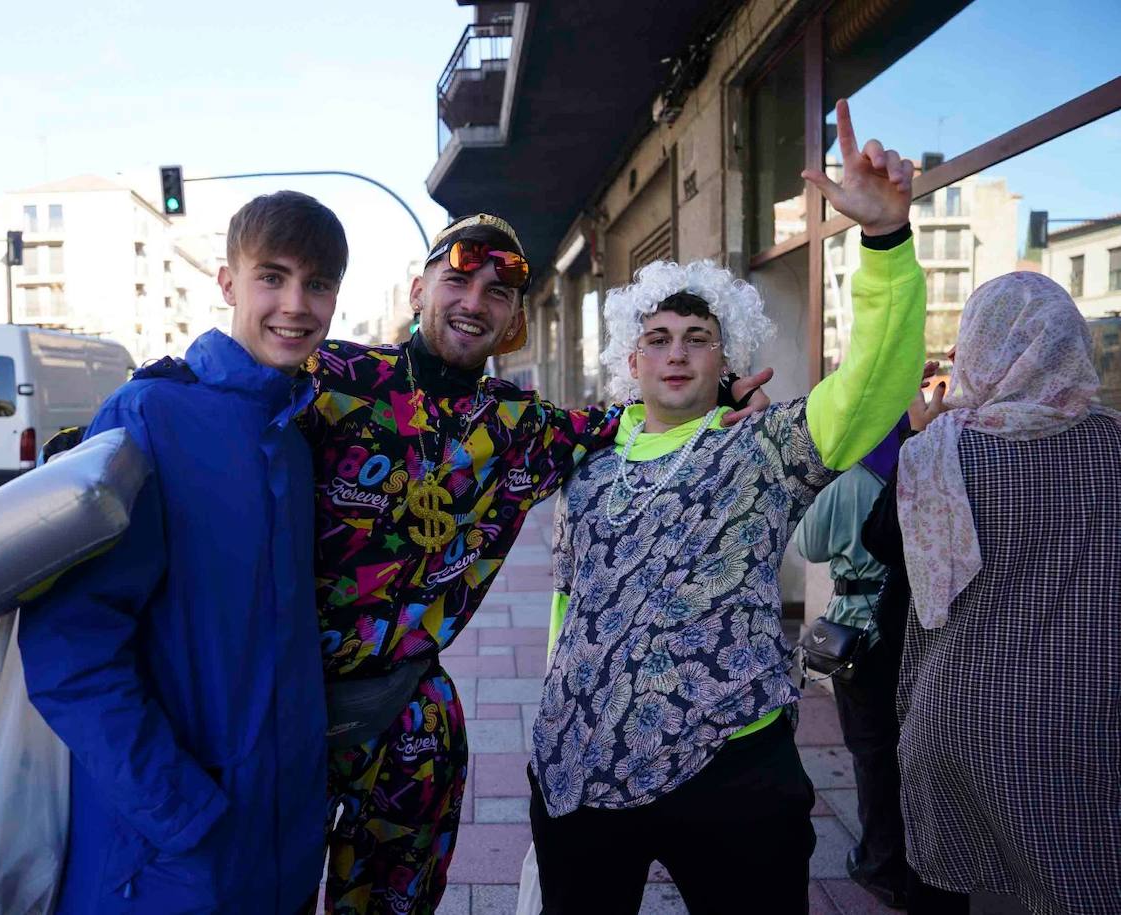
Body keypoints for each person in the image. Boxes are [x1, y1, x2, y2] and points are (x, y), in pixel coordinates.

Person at [526, 100, 926, 914]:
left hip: (732, 769)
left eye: (696, 338)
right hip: (585, 765)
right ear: (630, 360)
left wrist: (884, 241)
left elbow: (870, 387)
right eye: (660, 338)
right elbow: (571, 597)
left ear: (726, 356)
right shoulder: (587, 456)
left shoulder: (766, 447)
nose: (676, 351)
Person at [303, 220, 773, 911]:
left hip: (408, 721)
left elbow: (633, 422)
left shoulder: (522, 429)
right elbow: (207, 412)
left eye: (497, 292)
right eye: (457, 280)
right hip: (283, 706)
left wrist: (721, 400)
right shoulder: (331, 382)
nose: (473, 301)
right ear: (417, 288)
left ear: (516, 319)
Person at [18, 191, 345, 914]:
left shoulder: (292, 436)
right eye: (273, 276)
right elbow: (68, 646)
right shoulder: (149, 416)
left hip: (279, 850)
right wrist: (179, 813)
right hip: (168, 860)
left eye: (318, 283)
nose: (295, 303)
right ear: (228, 282)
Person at [872, 272, 1121, 915]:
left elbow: (884, 548)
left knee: (951, 885)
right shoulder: (1116, 446)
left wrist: (920, 431)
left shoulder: (938, 454)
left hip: (960, 715)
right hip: (1089, 719)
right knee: (1081, 878)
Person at [792, 413, 917, 909]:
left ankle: (881, 863)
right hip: (925, 631)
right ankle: (926, 856)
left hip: (861, 632)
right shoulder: (928, 464)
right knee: (916, 747)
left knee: (873, 750)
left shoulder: (850, 477)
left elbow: (810, 544)